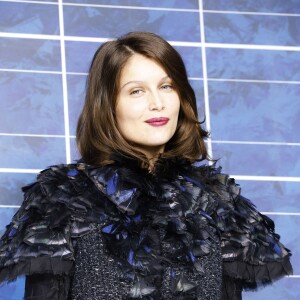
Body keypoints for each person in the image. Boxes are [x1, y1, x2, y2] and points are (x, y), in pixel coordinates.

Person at [0, 32, 293, 300]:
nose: (157, 103)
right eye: (136, 91)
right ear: (108, 105)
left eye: (166, 86)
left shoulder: (219, 203)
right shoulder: (62, 197)